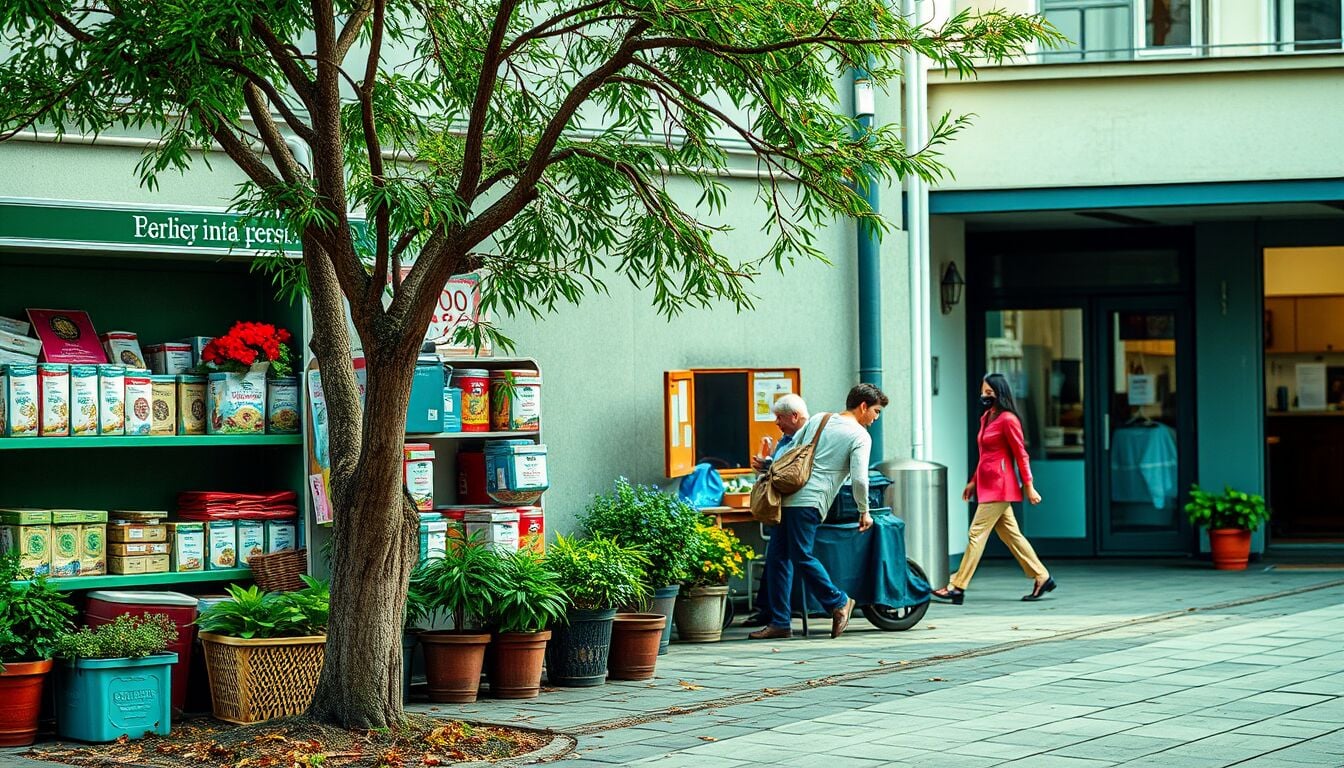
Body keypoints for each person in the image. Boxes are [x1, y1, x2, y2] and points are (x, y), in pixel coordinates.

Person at [749, 383, 888, 641]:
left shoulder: (819, 419)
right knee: (800, 555)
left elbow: (790, 453)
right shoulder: (859, 436)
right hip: (810, 502)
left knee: (779, 559)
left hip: (787, 498)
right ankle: (838, 601)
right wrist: (864, 511)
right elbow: (860, 480)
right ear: (863, 407)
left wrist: (769, 467)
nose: (875, 418)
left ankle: (780, 621)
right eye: (876, 412)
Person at [932, 373, 1056, 605]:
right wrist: (973, 481)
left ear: (1001, 393)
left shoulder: (1009, 419)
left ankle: (957, 585)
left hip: (1000, 485)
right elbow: (985, 456)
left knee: (976, 533)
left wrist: (1029, 486)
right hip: (988, 484)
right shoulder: (987, 417)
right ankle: (1042, 576)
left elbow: (1021, 454)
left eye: (989, 393)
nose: (984, 396)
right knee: (1011, 535)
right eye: (983, 392)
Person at [740, 394, 809, 628]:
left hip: (796, 506)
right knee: (775, 559)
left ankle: (835, 601)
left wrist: (770, 467)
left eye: (780, 417)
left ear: (795, 416)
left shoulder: (804, 439)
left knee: (788, 560)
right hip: (781, 505)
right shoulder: (785, 439)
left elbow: (793, 472)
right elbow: (780, 468)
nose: (776, 422)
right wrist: (766, 465)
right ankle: (772, 613)